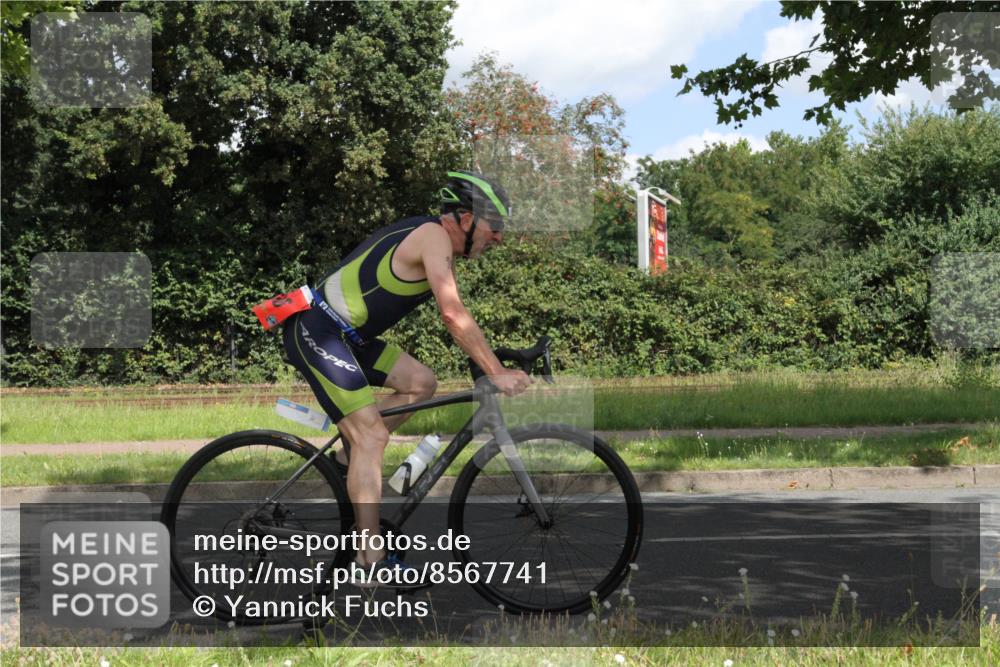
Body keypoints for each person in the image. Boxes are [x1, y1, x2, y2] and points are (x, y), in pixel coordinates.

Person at [281, 171, 532, 586]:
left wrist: (496, 360)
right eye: (496, 227)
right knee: (373, 438)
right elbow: (452, 313)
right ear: (467, 220)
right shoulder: (433, 237)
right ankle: (370, 558)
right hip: (317, 329)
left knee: (421, 383)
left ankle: (348, 456)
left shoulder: (432, 236)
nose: (500, 238)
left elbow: (457, 317)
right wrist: (496, 372)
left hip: (346, 334)